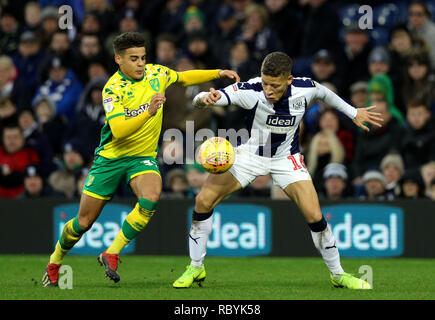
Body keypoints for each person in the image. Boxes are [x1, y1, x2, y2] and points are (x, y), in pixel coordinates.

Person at [42, 31, 239, 287]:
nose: (140, 63)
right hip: (110, 160)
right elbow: (120, 129)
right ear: (118, 59)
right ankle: (54, 262)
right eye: (133, 58)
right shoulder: (113, 89)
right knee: (84, 222)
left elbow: (183, 78)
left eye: (143, 57)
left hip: (142, 157)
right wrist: (149, 111)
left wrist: (217, 73)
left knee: (151, 197)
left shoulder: (157, 74)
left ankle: (111, 252)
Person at [173, 52, 382, 290]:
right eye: (265, 83)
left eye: (274, 85)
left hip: (286, 159)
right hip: (250, 156)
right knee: (203, 200)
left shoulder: (306, 89)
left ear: (289, 80)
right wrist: (203, 99)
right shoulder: (250, 90)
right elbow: (210, 97)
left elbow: (325, 93)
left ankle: (338, 274)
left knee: (315, 216)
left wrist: (353, 112)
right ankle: (195, 267)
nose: (268, 90)